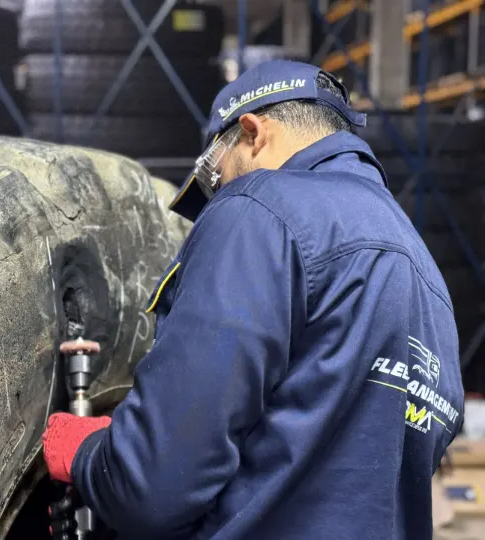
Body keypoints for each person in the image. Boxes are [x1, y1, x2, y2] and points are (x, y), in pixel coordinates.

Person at [42, 59, 465, 539]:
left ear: (252, 133)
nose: (221, 193)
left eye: (217, 177)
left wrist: (91, 456)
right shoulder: (427, 275)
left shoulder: (259, 209)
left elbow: (154, 484)